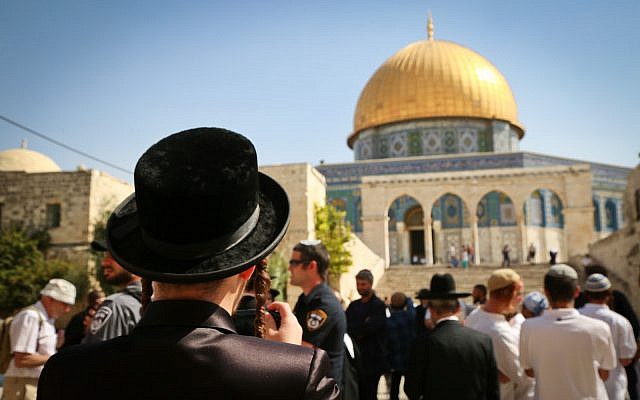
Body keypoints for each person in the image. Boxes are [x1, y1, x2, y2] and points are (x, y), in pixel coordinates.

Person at [37, 127, 339, 399]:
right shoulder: (299, 374)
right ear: (248, 267)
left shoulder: (66, 372)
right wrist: (284, 361)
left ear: (146, 264)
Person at [519, 264, 616, 399]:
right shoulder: (600, 328)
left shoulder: (528, 327)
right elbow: (604, 374)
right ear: (577, 291)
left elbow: (529, 371)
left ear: (546, 292)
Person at [405, 273, 499, 400]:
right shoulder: (483, 341)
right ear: (458, 308)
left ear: (430, 309)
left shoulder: (422, 343)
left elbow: (412, 390)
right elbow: (492, 390)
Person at [3, 279, 76, 400]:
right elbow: (22, 360)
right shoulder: (30, 317)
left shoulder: (46, 319)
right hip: (23, 386)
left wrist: (57, 346)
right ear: (49, 298)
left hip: (34, 384)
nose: (67, 309)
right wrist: (58, 357)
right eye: (65, 304)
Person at [466, 269, 533, 400]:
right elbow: (525, 378)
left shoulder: (474, 317)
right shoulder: (500, 334)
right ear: (511, 294)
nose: (521, 299)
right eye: (519, 294)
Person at [290, 239, 347, 388]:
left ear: (312, 266)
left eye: (294, 263)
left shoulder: (324, 304)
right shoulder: (306, 299)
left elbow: (303, 349)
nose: (289, 268)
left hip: (322, 390)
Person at [579, 273, 637, 400]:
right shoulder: (620, 322)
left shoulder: (575, 318)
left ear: (586, 294)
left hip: (581, 388)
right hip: (612, 387)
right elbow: (626, 359)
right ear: (609, 295)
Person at [81, 240, 142, 344]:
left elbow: (93, 357)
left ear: (134, 261)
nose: (104, 262)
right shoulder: (153, 299)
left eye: (113, 256)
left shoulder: (116, 305)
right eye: (105, 256)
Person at [345, 269, 389, 400]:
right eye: (358, 284)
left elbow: (371, 328)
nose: (360, 287)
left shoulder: (378, 305)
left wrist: (360, 328)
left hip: (373, 359)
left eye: (363, 284)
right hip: (356, 359)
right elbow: (347, 326)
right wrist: (361, 326)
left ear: (370, 284)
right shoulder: (353, 306)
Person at [386, 292, 415, 400]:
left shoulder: (388, 321)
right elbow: (411, 307)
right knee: (412, 388)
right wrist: (408, 299)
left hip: (395, 359)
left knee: (394, 388)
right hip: (409, 358)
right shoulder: (410, 316)